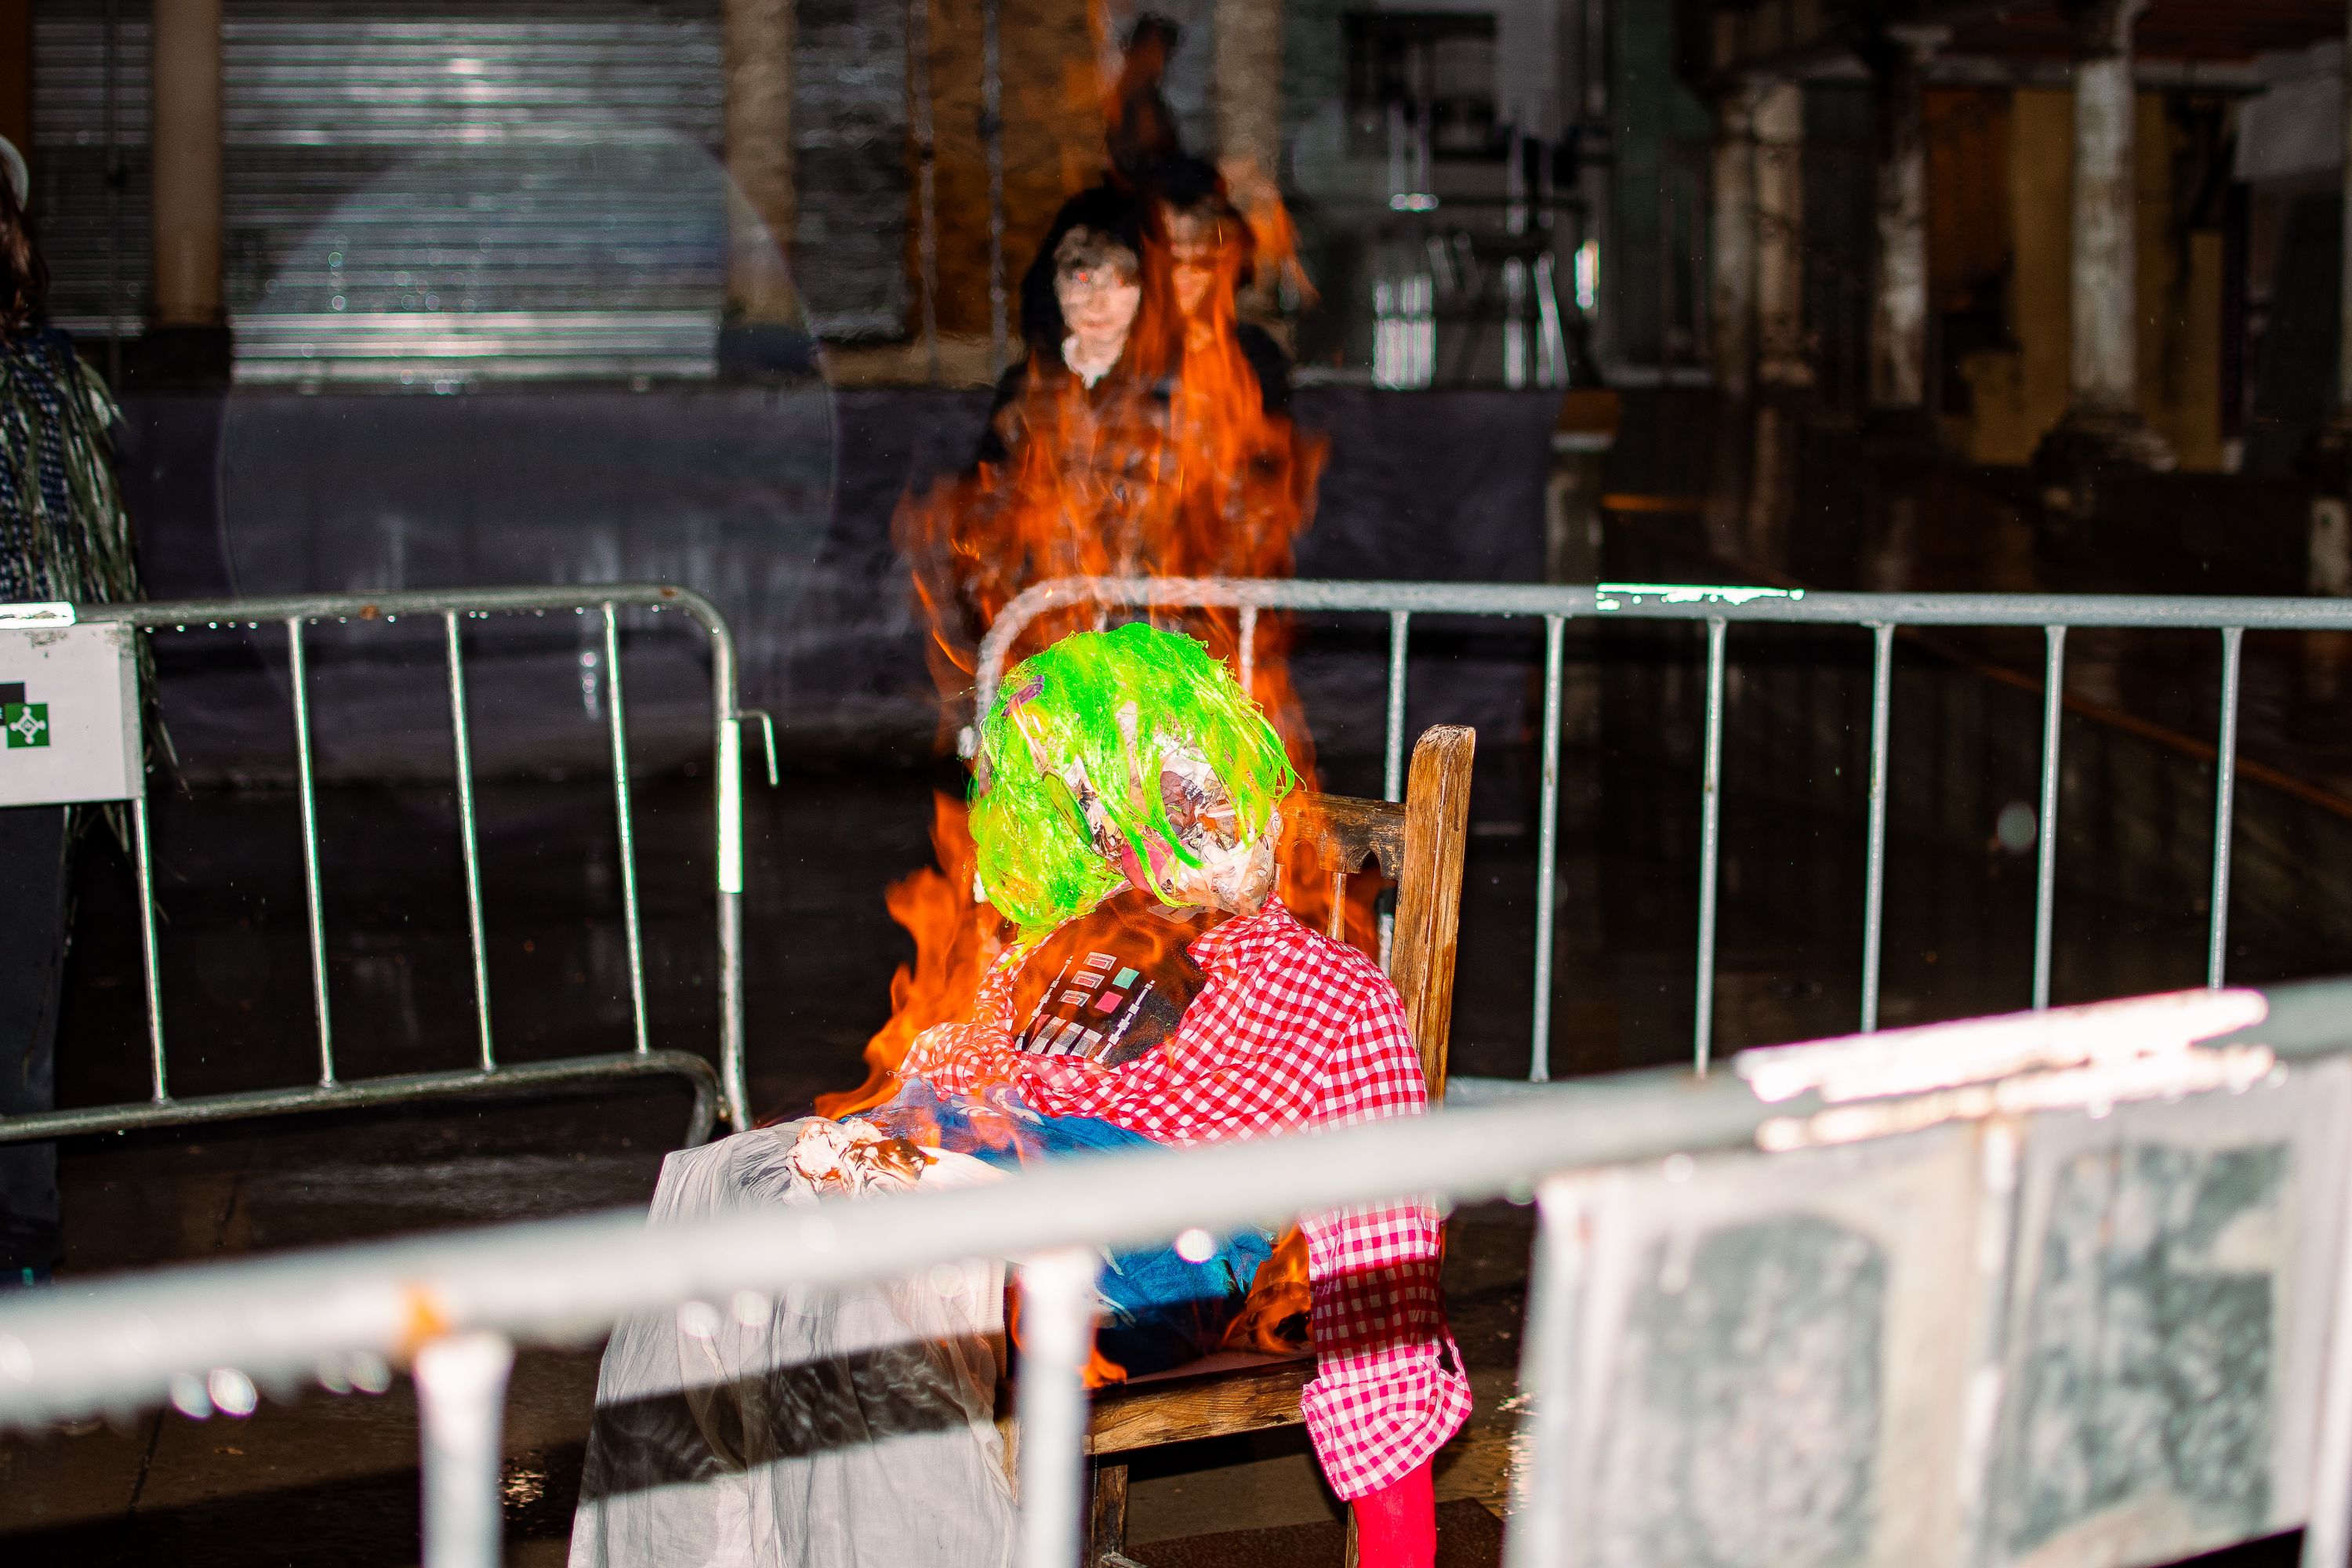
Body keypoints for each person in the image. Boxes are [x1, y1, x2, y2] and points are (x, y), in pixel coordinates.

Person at [571, 625, 1465, 1568]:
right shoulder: (1055, 943)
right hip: (979, 1168)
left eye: (1193, 789)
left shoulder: (1328, 984)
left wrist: (1397, 1542)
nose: (1174, 824)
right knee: (723, 1194)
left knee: (876, 1260)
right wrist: (899, 1116)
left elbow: (1384, 1243)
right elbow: (962, 1074)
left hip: (1152, 1224)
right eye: (1117, 801)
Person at [0, 136, 141, 1292]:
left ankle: (23, 1252)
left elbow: (75, 565)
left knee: (17, 1011)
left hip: (19, 725)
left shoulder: (41, 380)